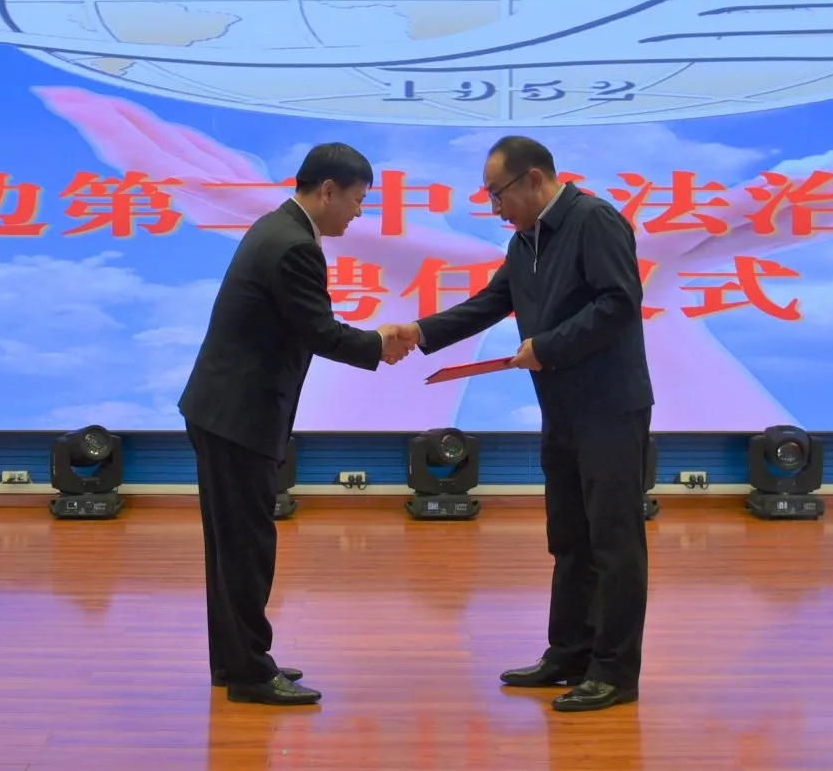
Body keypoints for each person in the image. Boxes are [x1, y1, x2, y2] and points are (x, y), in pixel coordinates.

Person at [398, 136, 654, 712]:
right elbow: (491, 303)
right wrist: (419, 333)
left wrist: (547, 347)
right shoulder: (525, 241)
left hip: (610, 408)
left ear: (534, 178)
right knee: (569, 536)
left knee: (614, 542)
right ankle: (569, 653)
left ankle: (615, 672)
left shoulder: (594, 221)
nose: (495, 209)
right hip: (561, 407)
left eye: (499, 194)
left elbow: (618, 303)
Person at [178, 143, 416, 706]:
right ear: (328, 190)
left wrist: (372, 338)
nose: (358, 212)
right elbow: (320, 332)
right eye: (356, 200)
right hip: (238, 416)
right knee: (246, 547)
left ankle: (236, 660)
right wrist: (378, 343)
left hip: (223, 411)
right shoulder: (293, 246)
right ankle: (250, 673)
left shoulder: (279, 228)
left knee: (233, 546)